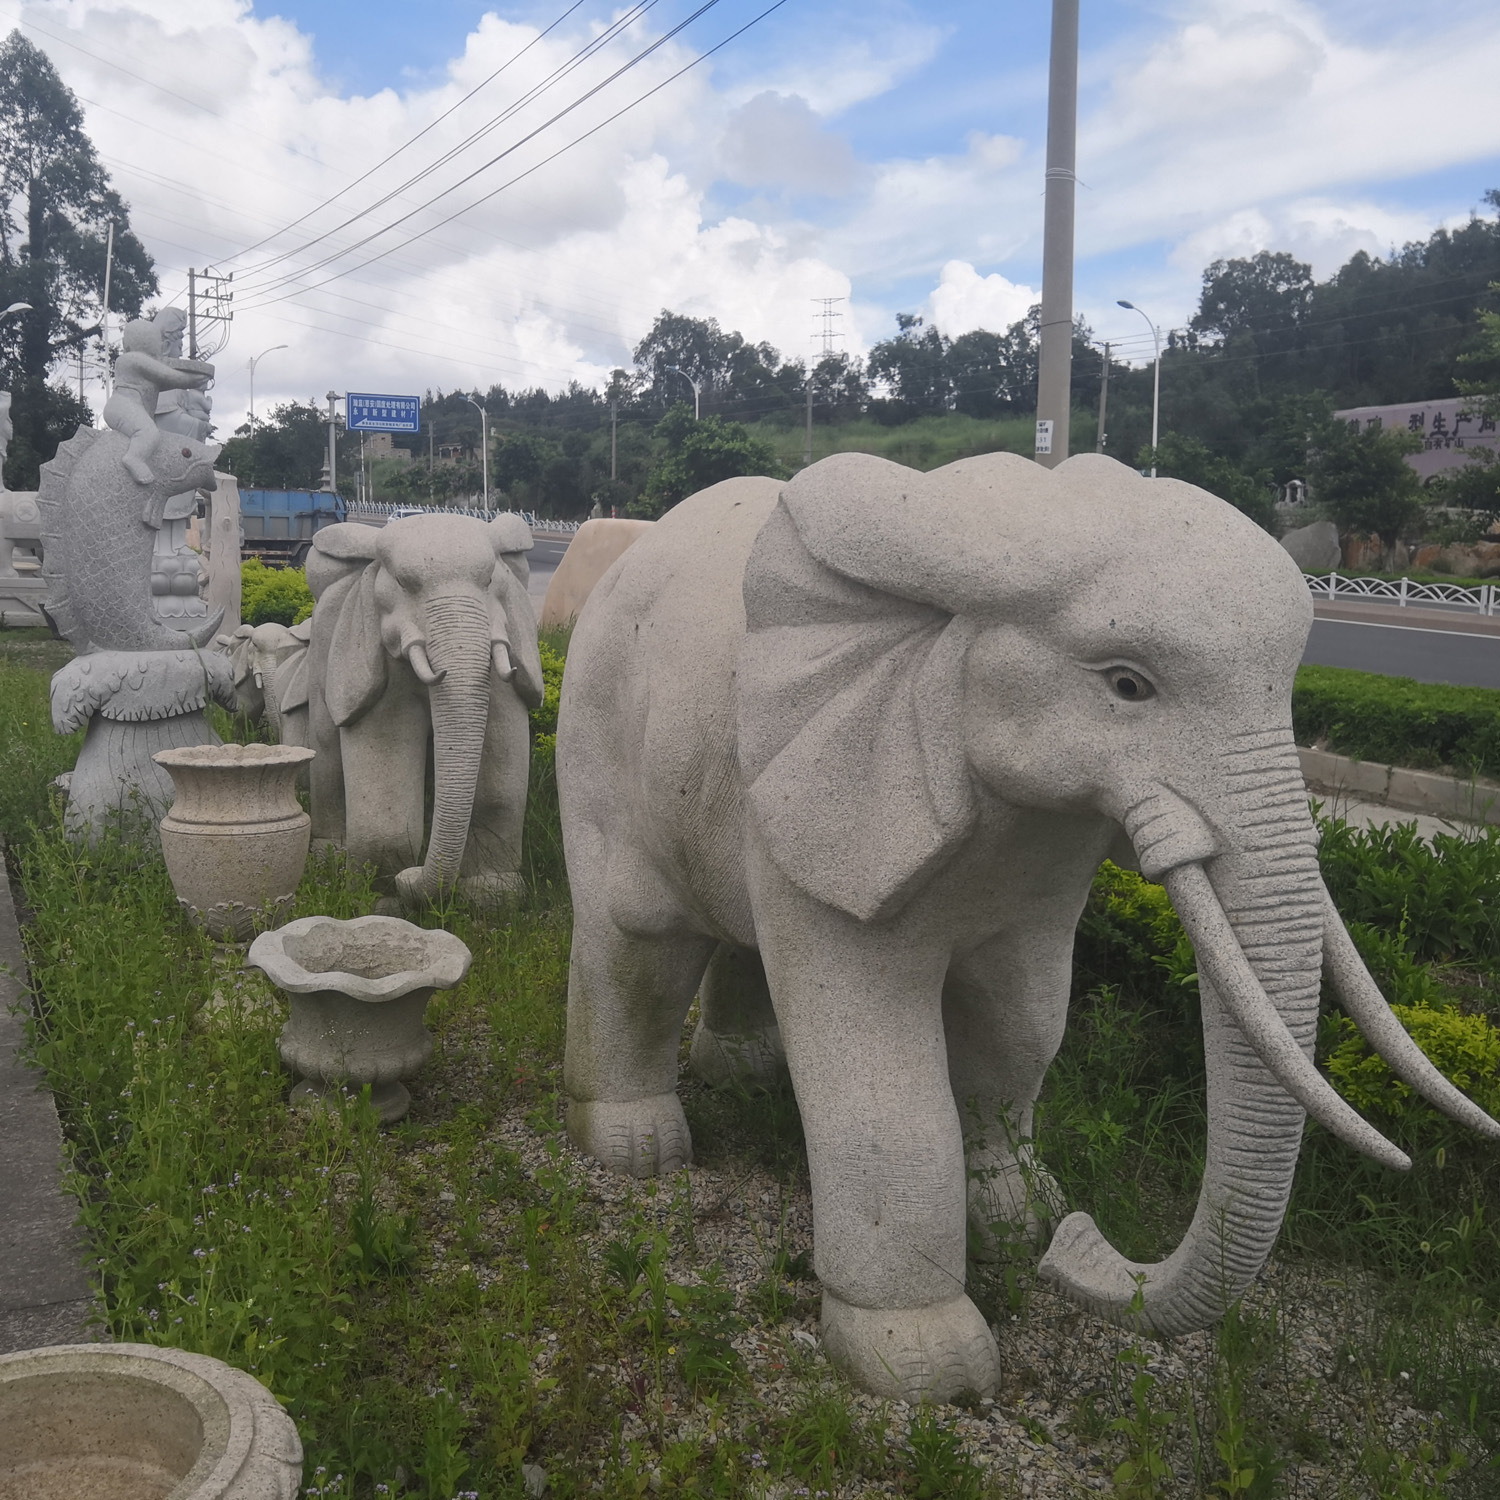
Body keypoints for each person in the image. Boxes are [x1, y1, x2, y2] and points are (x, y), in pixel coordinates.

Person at [103, 317, 213, 484]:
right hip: (122, 406)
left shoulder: (141, 366)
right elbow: (170, 376)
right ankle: (134, 458)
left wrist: (189, 380)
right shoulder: (133, 359)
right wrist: (192, 381)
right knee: (148, 433)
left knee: (150, 434)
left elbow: (162, 384)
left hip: (128, 408)